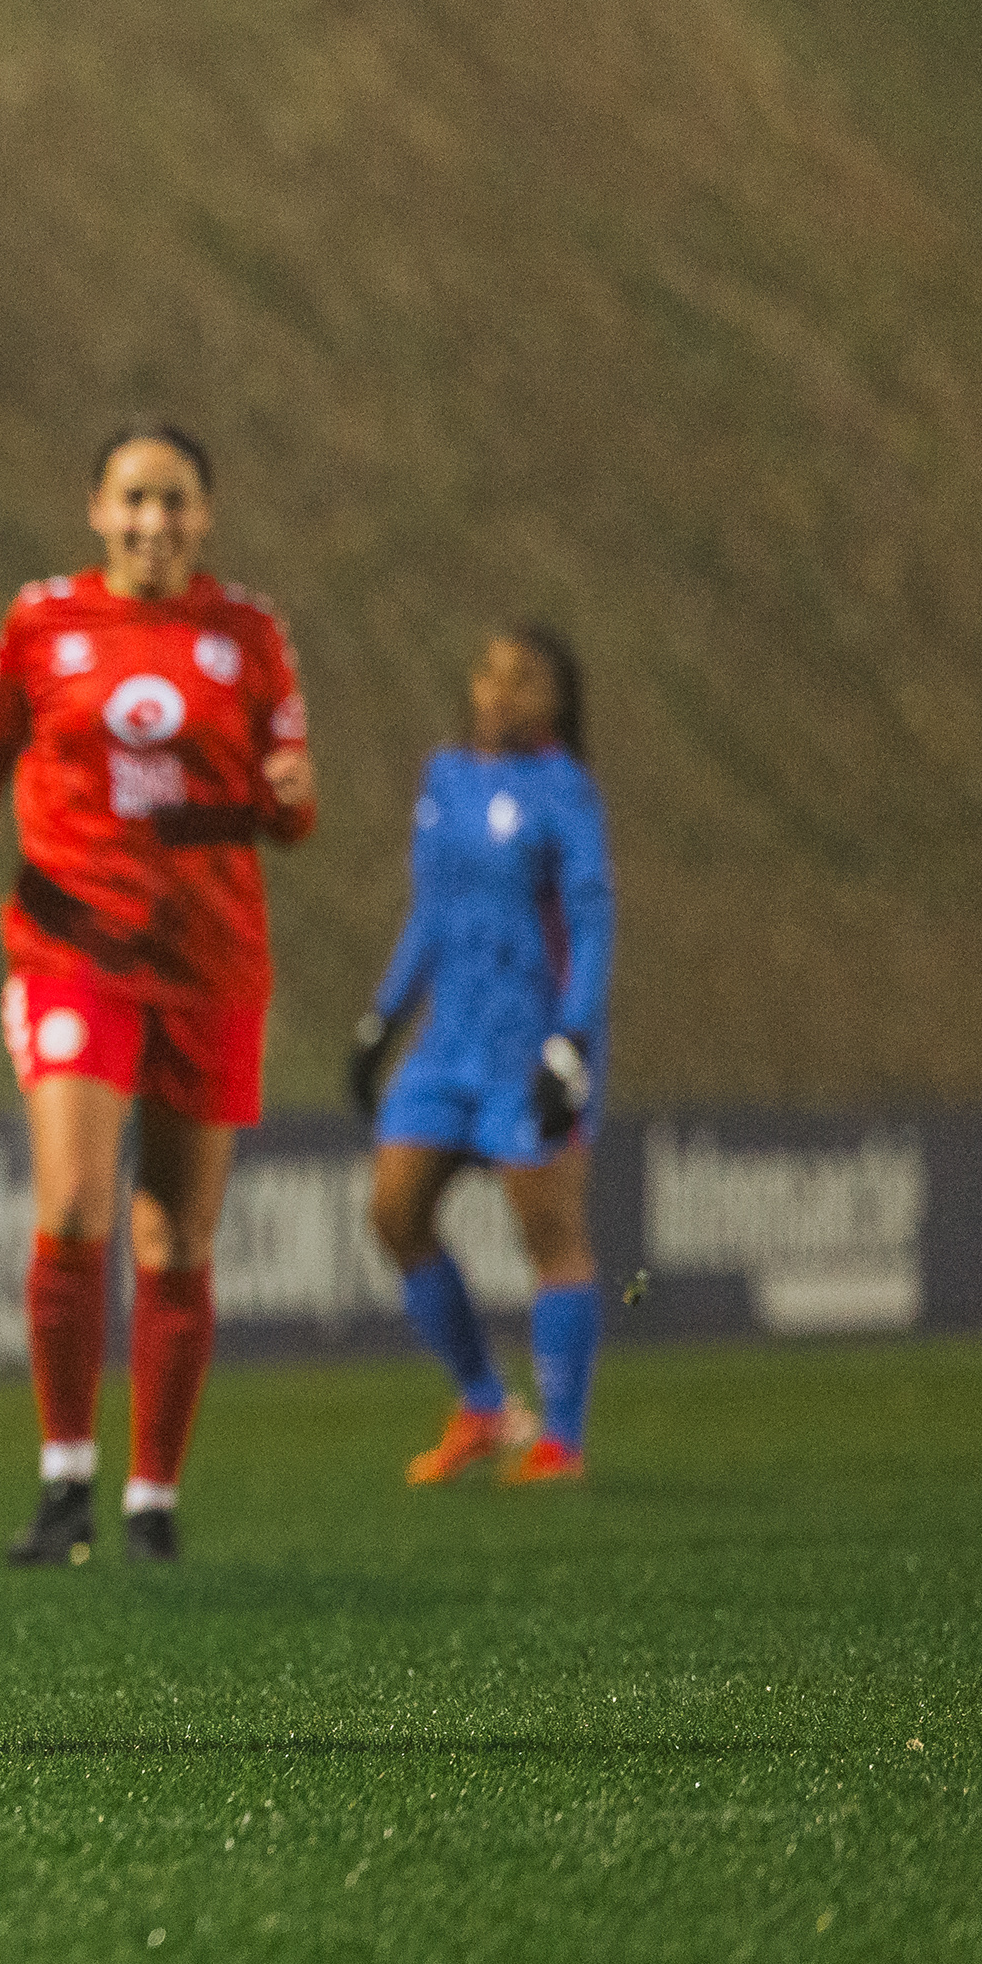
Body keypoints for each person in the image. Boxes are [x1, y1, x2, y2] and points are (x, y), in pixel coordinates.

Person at [0, 422, 315, 1566]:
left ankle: (151, 1495)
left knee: (178, 1233)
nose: (154, 522)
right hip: (72, 949)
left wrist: (292, 792)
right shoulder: (42, 620)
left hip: (210, 962)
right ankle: (62, 1481)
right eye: (134, 499)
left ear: (206, 515)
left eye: (176, 502)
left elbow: (291, 809)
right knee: (78, 1201)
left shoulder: (247, 635)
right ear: (96, 506)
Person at [349, 626, 616, 1486]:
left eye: (525, 678)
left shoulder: (564, 792)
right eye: (490, 672)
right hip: (445, 1048)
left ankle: (561, 1442)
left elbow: (592, 923)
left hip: (525, 1045)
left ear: (558, 701)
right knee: (394, 1212)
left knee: (551, 1237)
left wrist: (570, 1042)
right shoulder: (446, 779)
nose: (501, 691)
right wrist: (383, 1018)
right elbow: (429, 910)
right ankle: (483, 1403)